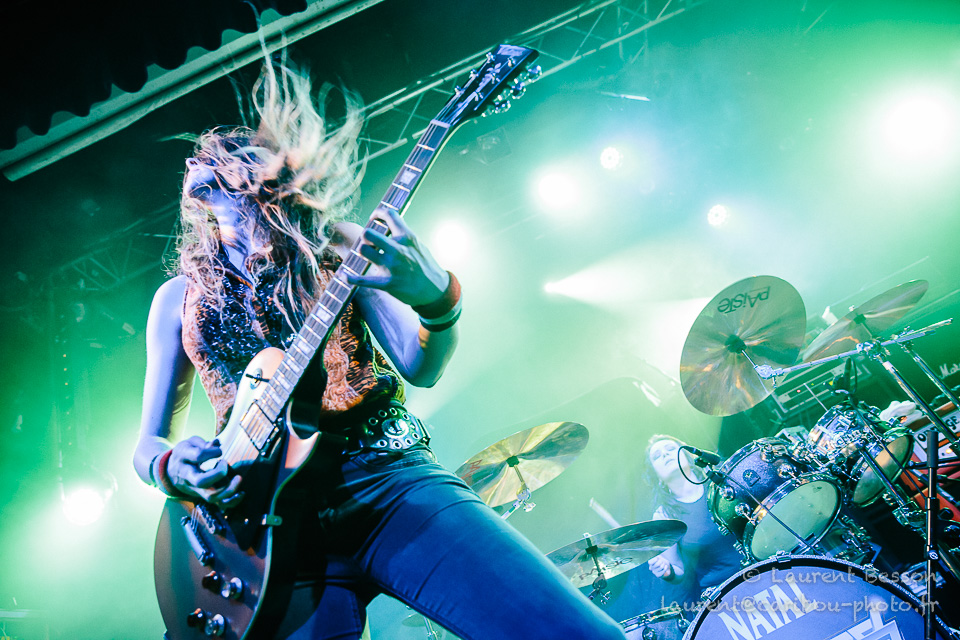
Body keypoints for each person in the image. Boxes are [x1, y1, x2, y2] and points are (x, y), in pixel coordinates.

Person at [132, 57, 627, 640]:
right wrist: (171, 467)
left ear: (265, 174)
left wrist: (437, 301)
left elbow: (421, 366)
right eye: (195, 157)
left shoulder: (338, 247)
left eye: (221, 152)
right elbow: (148, 444)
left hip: (385, 479)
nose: (196, 160)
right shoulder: (176, 299)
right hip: (261, 527)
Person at [643, 435, 742, 608]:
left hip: (763, 569)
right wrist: (667, 571)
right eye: (657, 456)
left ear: (688, 456)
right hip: (723, 595)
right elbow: (678, 569)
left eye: (670, 449)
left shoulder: (720, 483)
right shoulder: (664, 515)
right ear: (656, 475)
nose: (665, 454)